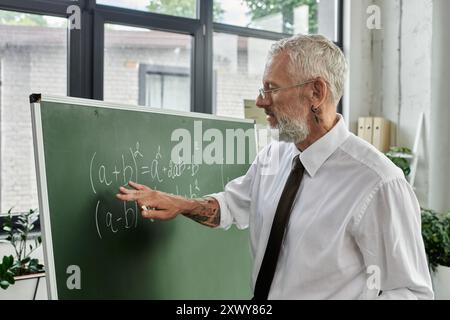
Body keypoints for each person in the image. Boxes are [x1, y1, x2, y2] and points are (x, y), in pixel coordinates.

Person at [116, 34, 434, 300]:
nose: (260, 101)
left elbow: (410, 292)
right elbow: (229, 207)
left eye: (271, 88)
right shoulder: (274, 157)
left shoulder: (378, 183)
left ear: (316, 93)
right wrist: (180, 204)